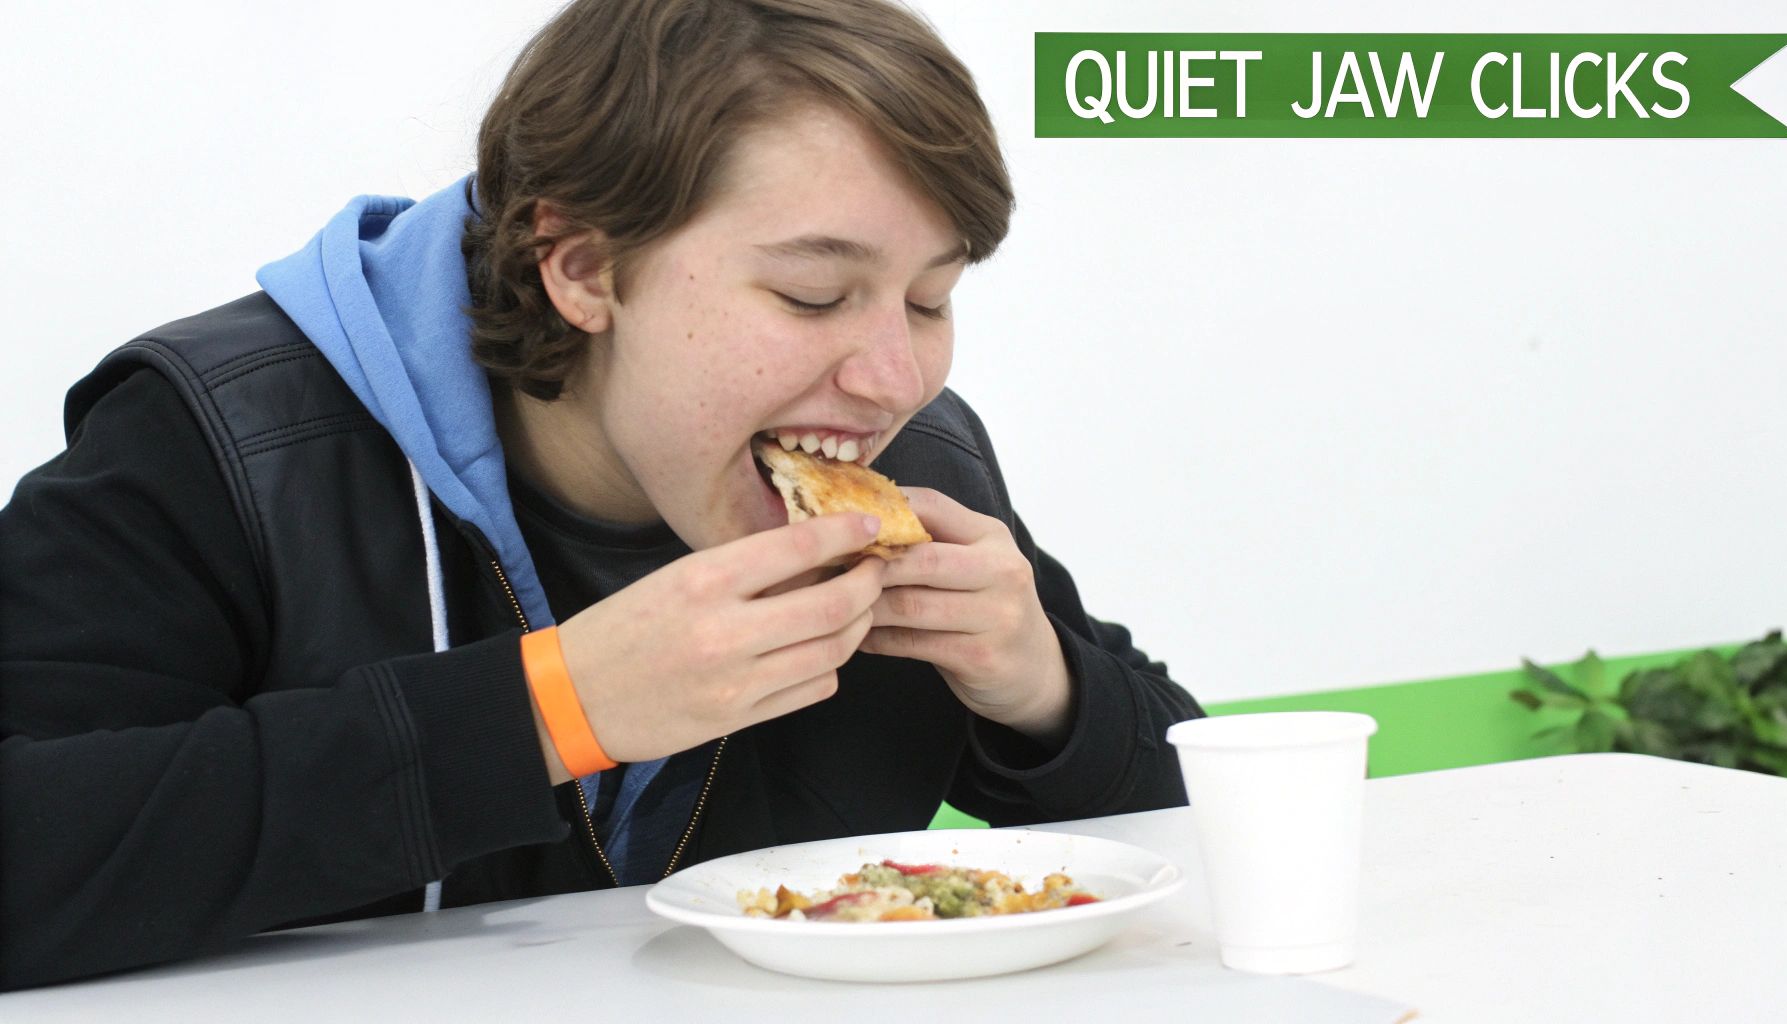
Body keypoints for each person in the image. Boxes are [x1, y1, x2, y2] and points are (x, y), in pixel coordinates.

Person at [0, 0, 1202, 990]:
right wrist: (546, 712)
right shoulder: (224, 437)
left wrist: (1041, 686)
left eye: (930, 299)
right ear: (579, 266)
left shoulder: (913, 460)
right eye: (811, 295)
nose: (894, 377)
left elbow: (1192, 816)